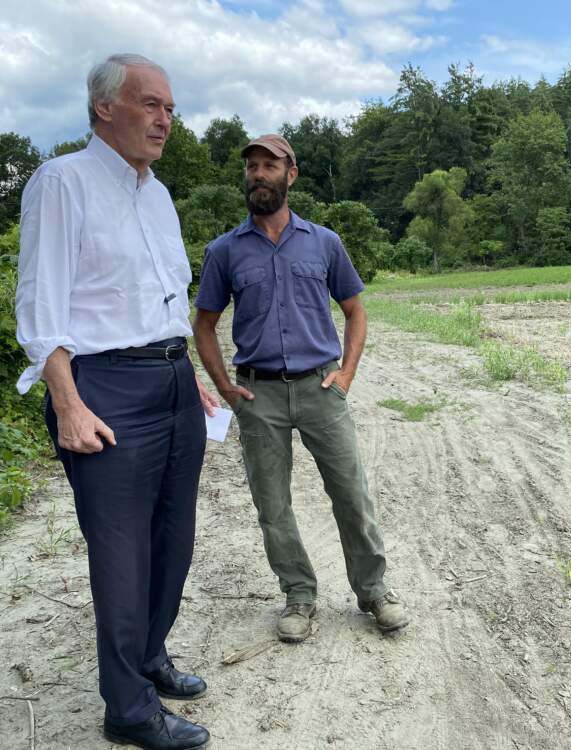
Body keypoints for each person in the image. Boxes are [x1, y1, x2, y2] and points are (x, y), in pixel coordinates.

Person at [15, 53, 215, 750]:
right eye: (151, 104)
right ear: (105, 107)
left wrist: (187, 375)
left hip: (170, 380)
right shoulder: (62, 181)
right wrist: (67, 402)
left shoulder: (157, 194)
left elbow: (164, 301)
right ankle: (127, 709)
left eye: (170, 108)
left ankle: (151, 656)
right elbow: (40, 305)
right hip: (104, 387)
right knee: (122, 551)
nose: (165, 119)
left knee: (173, 538)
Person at [193, 134, 409, 643]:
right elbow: (203, 324)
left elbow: (354, 311)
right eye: (251, 167)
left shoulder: (324, 242)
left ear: (291, 175)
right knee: (273, 503)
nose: (258, 174)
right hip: (257, 395)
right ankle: (298, 595)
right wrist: (224, 386)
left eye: (269, 165)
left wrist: (348, 374)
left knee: (351, 494)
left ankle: (374, 591)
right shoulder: (224, 251)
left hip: (320, 387)